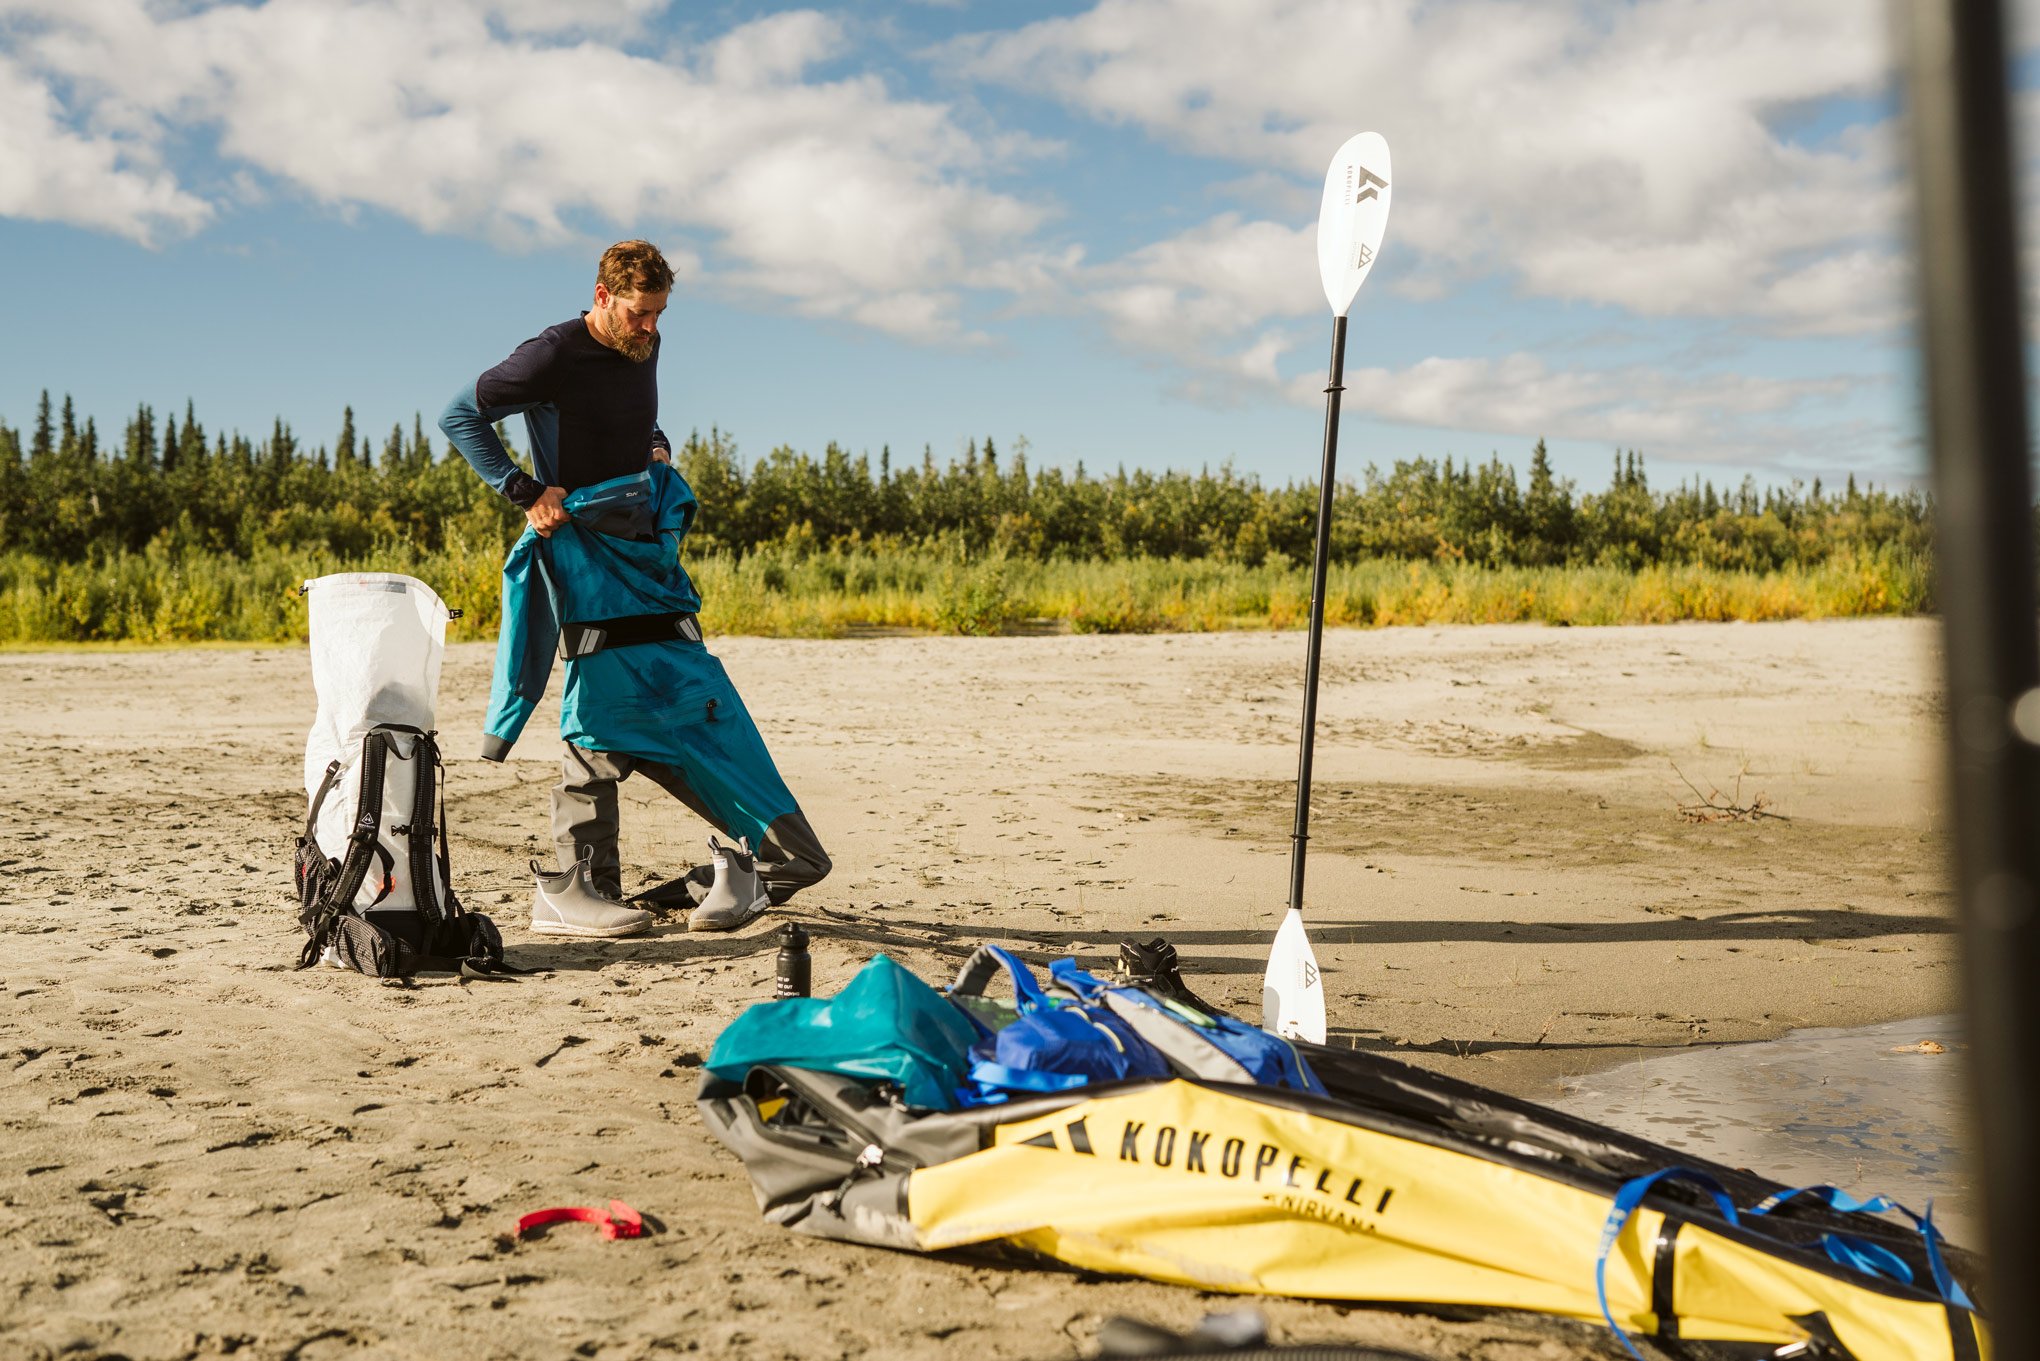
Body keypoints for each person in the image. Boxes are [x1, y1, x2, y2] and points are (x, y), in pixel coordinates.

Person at [439, 239, 831, 939]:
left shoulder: (643, 347)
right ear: (601, 298)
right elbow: (458, 416)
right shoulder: (552, 353)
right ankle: (580, 888)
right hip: (587, 553)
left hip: (647, 555)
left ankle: (709, 876)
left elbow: (630, 417)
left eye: (658, 316)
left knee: (677, 682)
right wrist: (524, 491)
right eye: (637, 314)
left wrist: (656, 447)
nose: (648, 329)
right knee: (601, 708)